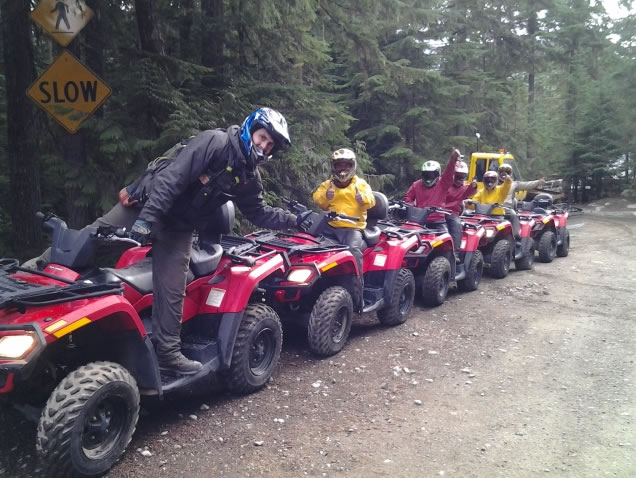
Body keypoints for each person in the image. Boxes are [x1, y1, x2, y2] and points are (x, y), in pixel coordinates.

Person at [25, 107, 299, 376]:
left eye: (269, 145)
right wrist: (145, 220)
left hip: (178, 227)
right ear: (251, 129)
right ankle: (29, 273)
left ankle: (167, 354)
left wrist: (296, 220)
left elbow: (259, 212)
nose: (263, 146)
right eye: (262, 137)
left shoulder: (249, 176)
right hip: (145, 205)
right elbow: (171, 180)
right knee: (91, 238)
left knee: (172, 288)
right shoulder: (215, 143)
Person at [312, 148, 375, 281]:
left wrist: (363, 199)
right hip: (330, 227)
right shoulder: (327, 184)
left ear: (353, 166)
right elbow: (317, 199)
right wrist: (326, 196)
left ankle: (357, 285)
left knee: (353, 251)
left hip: (353, 228)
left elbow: (371, 200)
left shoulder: (360, 184)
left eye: (346, 165)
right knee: (313, 247)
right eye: (339, 165)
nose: (343, 169)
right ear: (333, 167)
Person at [404, 148, 461, 238]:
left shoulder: (443, 183)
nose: (429, 177)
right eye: (426, 174)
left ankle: (455, 248)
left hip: (437, 222)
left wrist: (453, 160)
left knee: (446, 241)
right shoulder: (416, 184)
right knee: (404, 238)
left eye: (431, 175)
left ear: (437, 174)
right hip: (418, 221)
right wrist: (411, 206)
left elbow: (448, 173)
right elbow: (408, 197)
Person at [497, 164, 544, 239]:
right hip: (494, 207)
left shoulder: (513, 184)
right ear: (498, 173)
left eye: (506, 173)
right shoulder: (492, 183)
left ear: (510, 174)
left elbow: (526, 184)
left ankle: (516, 236)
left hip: (506, 208)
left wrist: (538, 182)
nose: (504, 175)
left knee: (513, 215)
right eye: (502, 172)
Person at [444, 160, 478, 260]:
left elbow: (471, 191)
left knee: (456, 224)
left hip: (452, 213)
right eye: (457, 175)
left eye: (462, 176)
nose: (459, 178)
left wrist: (474, 185)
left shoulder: (464, 188)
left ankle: (455, 253)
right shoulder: (445, 184)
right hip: (437, 211)